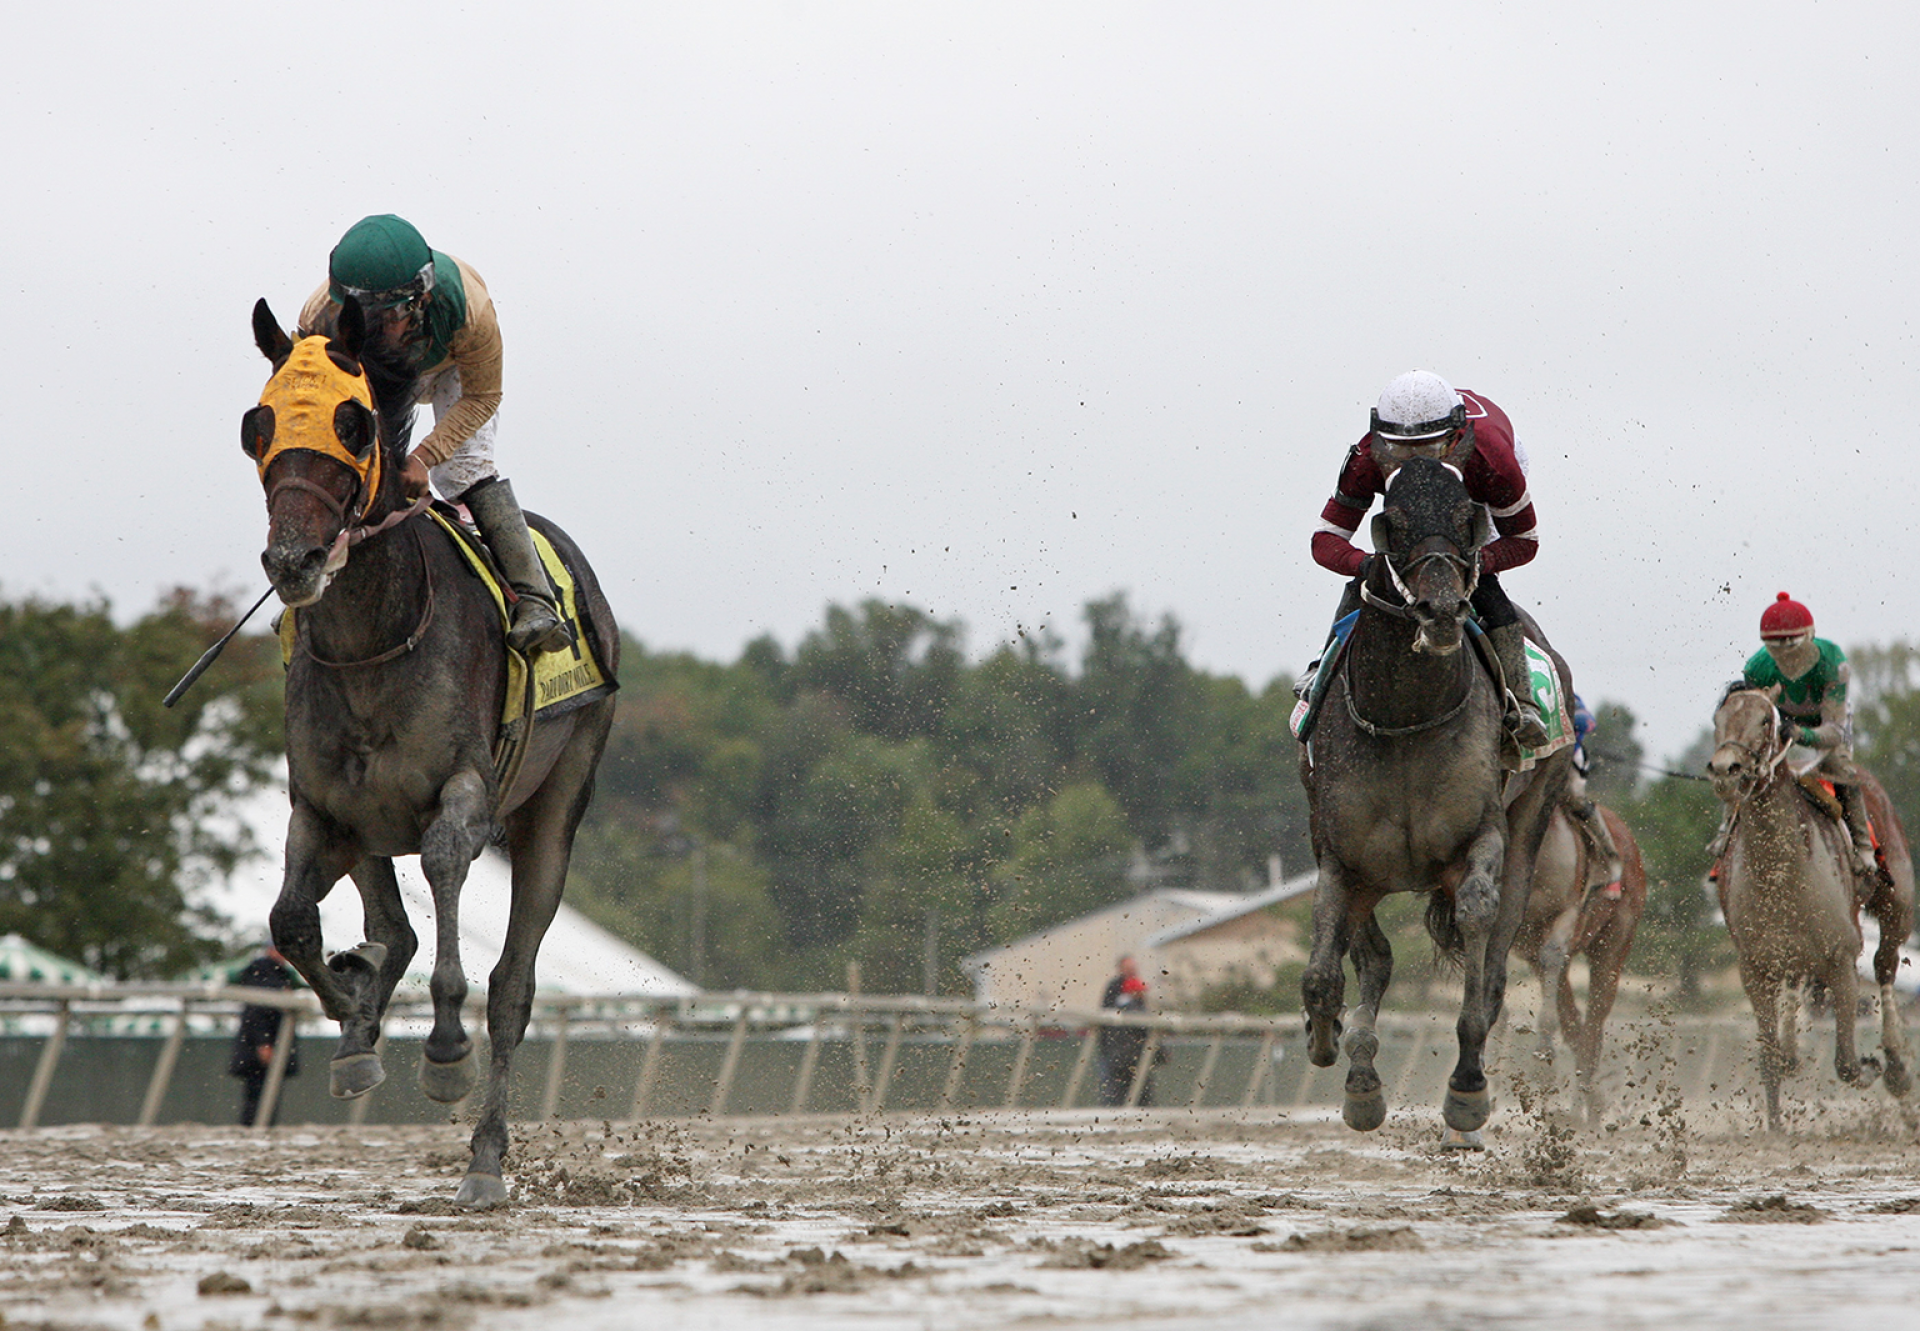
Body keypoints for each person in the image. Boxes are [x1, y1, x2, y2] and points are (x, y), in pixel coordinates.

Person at [297, 214, 567, 654]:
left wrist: (423, 457)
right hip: (362, 376)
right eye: (357, 316)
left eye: (382, 318)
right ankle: (308, 585)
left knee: (461, 472)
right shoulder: (317, 317)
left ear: (418, 301)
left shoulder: (469, 310)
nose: (368, 331)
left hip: (449, 368)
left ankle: (534, 597)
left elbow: (482, 397)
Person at [1310, 370, 1549, 747]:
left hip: (1476, 481)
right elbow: (1325, 539)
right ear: (1382, 443)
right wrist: (1367, 566)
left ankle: (1522, 703)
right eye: (1402, 453)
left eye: (1428, 450)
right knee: (1372, 579)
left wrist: (1474, 563)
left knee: (1474, 580)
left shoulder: (1493, 461)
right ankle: (1319, 675)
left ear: (1455, 439)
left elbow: (1524, 541)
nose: (1414, 464)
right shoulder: (1369, 456)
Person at [1710, 592, 1877, 879]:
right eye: (1776, 645)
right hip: (1780, 720)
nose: (1785, 652)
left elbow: (1834, 731)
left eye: (1792, 643)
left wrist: (1801, 734)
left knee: (1840, 769)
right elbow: (1752, 716)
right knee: (1745, 768)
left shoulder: (1833, 662)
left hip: (1827, 724)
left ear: (1810, 635)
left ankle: (1864, 848)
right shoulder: (1755, 668)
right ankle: (1726, 833)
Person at [228, 943, 300, 1127]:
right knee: (258, 1095)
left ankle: (259, 1128)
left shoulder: (274, 974)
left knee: (263, 1094)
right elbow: (257, 1011)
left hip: (264, 1045)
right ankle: (256, 1129)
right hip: (262, 1047)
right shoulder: (264, 974)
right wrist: (264, 1043)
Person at [1566, 695, 1626, 901]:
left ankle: (1610, 859)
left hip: (1566, 757)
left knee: (1575, 796)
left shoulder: (1561, 686)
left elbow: (1586, 721)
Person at [1096, 956, 1154, 1107]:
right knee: (1114, 1093)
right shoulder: (1114, 987)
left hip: (1135, 1052)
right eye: (1129, 967)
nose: (1132, 970)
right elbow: (1106, 1014)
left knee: (1142, 1092)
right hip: (1114, 1051)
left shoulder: (1139, 995)